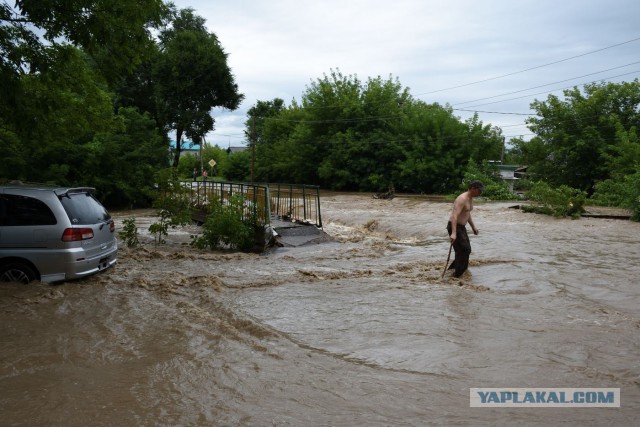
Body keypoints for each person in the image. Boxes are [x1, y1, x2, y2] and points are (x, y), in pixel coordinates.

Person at [446, 180, 484, 278]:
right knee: (465, 249)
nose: (480, 193)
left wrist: (473, 227)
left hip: (461, 227)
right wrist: (453, 233)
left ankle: (456, 270)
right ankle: (457, 275)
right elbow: (455, 216)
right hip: (454, 226)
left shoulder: (470, 198)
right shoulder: (462, 199)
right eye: (479, 191)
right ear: (472, 188)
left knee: (464, 250)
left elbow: (467, 213)